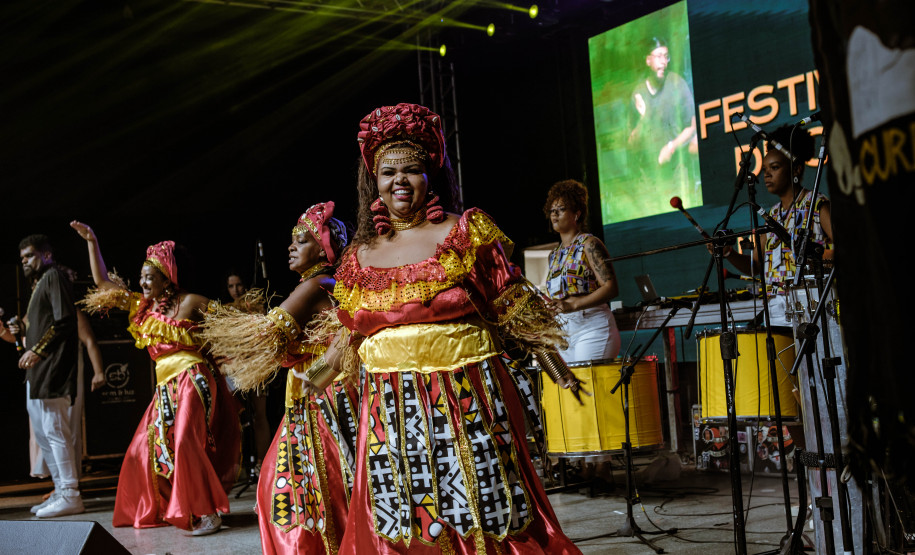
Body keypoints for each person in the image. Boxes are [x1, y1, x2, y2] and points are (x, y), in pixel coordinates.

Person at [314, 103, 582, 553]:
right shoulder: (357, 259)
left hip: (465, 398)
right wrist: (312, 380)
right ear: (374, 183)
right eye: (388, 172)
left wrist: (561, 371)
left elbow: (517, 310)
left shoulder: (465, 233)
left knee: (483, 513)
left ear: (429, 176)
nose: (400, 180)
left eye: (412, 170)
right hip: (390, 410)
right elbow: (349, 337)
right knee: (405, 521)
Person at [202, 202, 356, 554]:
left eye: (300, 241)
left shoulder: (317, 283)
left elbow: (267, 333)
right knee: (326, 480)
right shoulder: (327, 283)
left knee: (292, 484)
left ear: (324, 247)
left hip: (318, 396)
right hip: (318, 387)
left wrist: (221, 329)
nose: (290, 247)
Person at [70, 222, 240, 536]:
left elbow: (232, 325)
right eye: (142, 277)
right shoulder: (144, 308)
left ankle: (208, 512)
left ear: (167, 278)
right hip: (165, 386)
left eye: (150, 277)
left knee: (186, 440)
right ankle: (167, 506)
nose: (143, 282)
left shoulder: (192, 302)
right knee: (144, 448)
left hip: (193, 378)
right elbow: (103, 284)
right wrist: (92, 242)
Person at [716, 125, 833, 326]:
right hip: (776, 310)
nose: (766, 174)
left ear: (796, 168)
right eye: (766, 169)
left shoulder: (817, 204)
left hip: (812, 305)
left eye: (775, 167)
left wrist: (816, 260)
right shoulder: (772, 215)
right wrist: (729, 253)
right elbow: (756, 266)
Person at [15, 234, 83, 518]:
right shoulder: (39, 283)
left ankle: (70, 493)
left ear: (46, 254)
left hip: (51, 365)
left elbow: (65, 321)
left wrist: (40, 352)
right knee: (44, 432)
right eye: (22, 259)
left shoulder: (53, 276)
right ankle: (60, 490)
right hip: (39, 369)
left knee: (54, 429)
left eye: (29, 256)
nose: (25, 262)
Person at [544, 179, 621, 362]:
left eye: (561, 209)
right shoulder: (553, 255)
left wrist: (573, 305)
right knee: (569, 389)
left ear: (576, 214)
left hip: (592, 327)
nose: (554, 214)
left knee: (590, 385)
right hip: (564, 332)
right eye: (552, 210)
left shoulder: (589, 244)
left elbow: (611, 287)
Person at [628, 37, 699, 209]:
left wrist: (671, 146)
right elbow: (632, 144)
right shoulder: (638, 94)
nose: (663, 61)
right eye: (658, 56)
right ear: (648, 60)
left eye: (666, 56)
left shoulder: (677, 84)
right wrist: (643, 119)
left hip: (675, 175)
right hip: (648, 180)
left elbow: (692, 126)